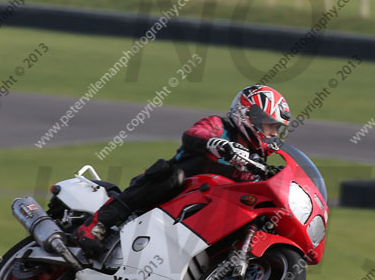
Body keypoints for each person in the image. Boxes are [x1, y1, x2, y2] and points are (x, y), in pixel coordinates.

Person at [75, 85, 291, 256]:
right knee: (171, 176)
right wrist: (218, 144)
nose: (273, 134)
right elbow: (193, 134)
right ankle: (97, 224)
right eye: (269, 125)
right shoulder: (219, 126)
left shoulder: (257, 162)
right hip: (169, 192)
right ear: (250, 115)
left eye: (276, 128)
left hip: (202, 215)